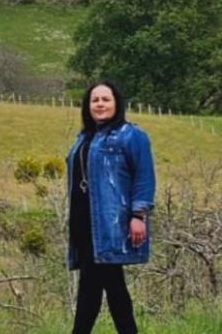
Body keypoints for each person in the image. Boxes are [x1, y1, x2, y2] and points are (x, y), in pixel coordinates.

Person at [66, 80, 155, 334]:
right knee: (99, 285)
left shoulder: (131, 135)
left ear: (117, 103)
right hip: (84, 223)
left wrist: (139, 214)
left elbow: (144, 175)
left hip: (111, 223)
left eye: (106, 99)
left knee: (103, 285)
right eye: (95, 100)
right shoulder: (83, 137)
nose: (100, 104)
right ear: (87, 105)